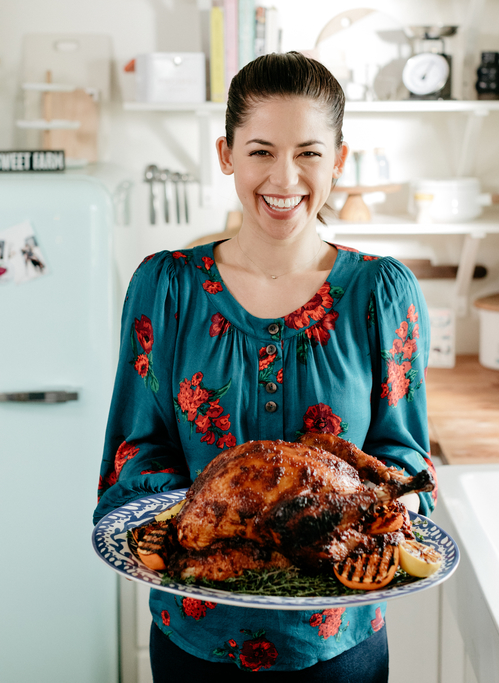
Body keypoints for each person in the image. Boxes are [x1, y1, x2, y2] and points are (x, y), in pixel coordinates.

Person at [94, 51, 437, 681]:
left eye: (309, 152)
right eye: (260, 151)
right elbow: (133, 450)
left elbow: (405, 453)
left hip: (338, 645)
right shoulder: (166, 288)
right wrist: (199, 519)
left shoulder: (380, 294)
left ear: (338, 159)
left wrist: (390, 514)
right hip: (197, 633)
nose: (285, 177)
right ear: (226, 154)